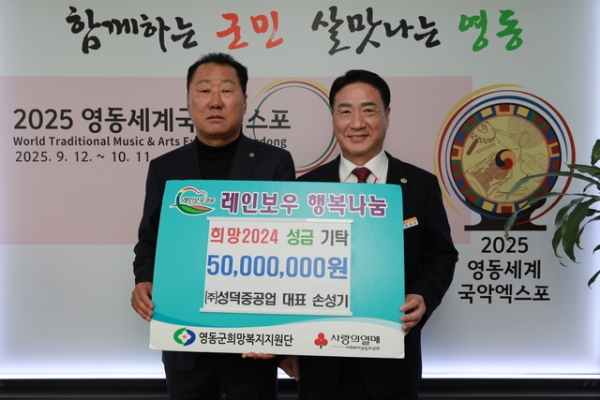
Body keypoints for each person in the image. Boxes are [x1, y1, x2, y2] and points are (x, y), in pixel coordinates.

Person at [131, 52, 296, 400]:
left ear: (245, 101)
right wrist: (143, 279)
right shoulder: (165, 168)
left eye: (227, 90)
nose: (216, 101)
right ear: (189, 101)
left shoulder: (274, 163)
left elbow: (289, 250)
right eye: (204, 90)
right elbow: (150, 239)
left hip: (252, 340)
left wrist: (283, 336)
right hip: (185, 337)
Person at [289, 69, 458, 399]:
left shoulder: (420, 185)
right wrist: (285, 345)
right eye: (345, 111)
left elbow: (441, 256)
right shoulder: (305, 188)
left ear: (387, 115)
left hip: (393, 366)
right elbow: (288, 269)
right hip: (320, 365)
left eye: (368, 110)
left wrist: (423, 295)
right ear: (333, 118)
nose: (357, 123)